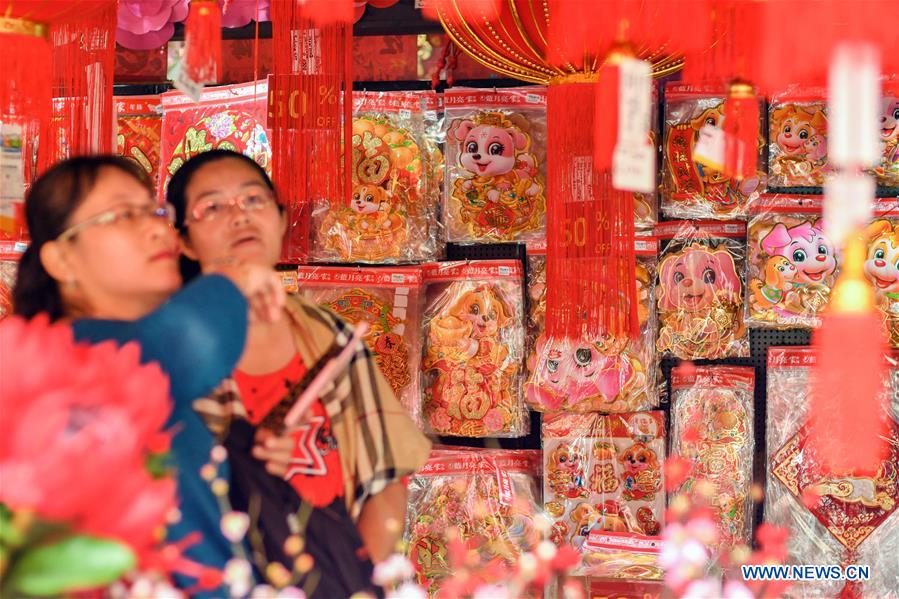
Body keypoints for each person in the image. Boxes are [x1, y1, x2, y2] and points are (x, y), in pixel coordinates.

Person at [12, 155, 286, 596]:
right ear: (62, 259)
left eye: (155, 211)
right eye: (123, 215)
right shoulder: (71, 353)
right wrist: (230, 280)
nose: (158, 228)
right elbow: (186, 343)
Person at [167, 150, 431, 596]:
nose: (239, 216)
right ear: (184, 241)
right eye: (212, 207)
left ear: (281, 216)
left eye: (254, 199)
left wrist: (353, 576)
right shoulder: (166, 343)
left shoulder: (327, 333)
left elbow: (387, 478)